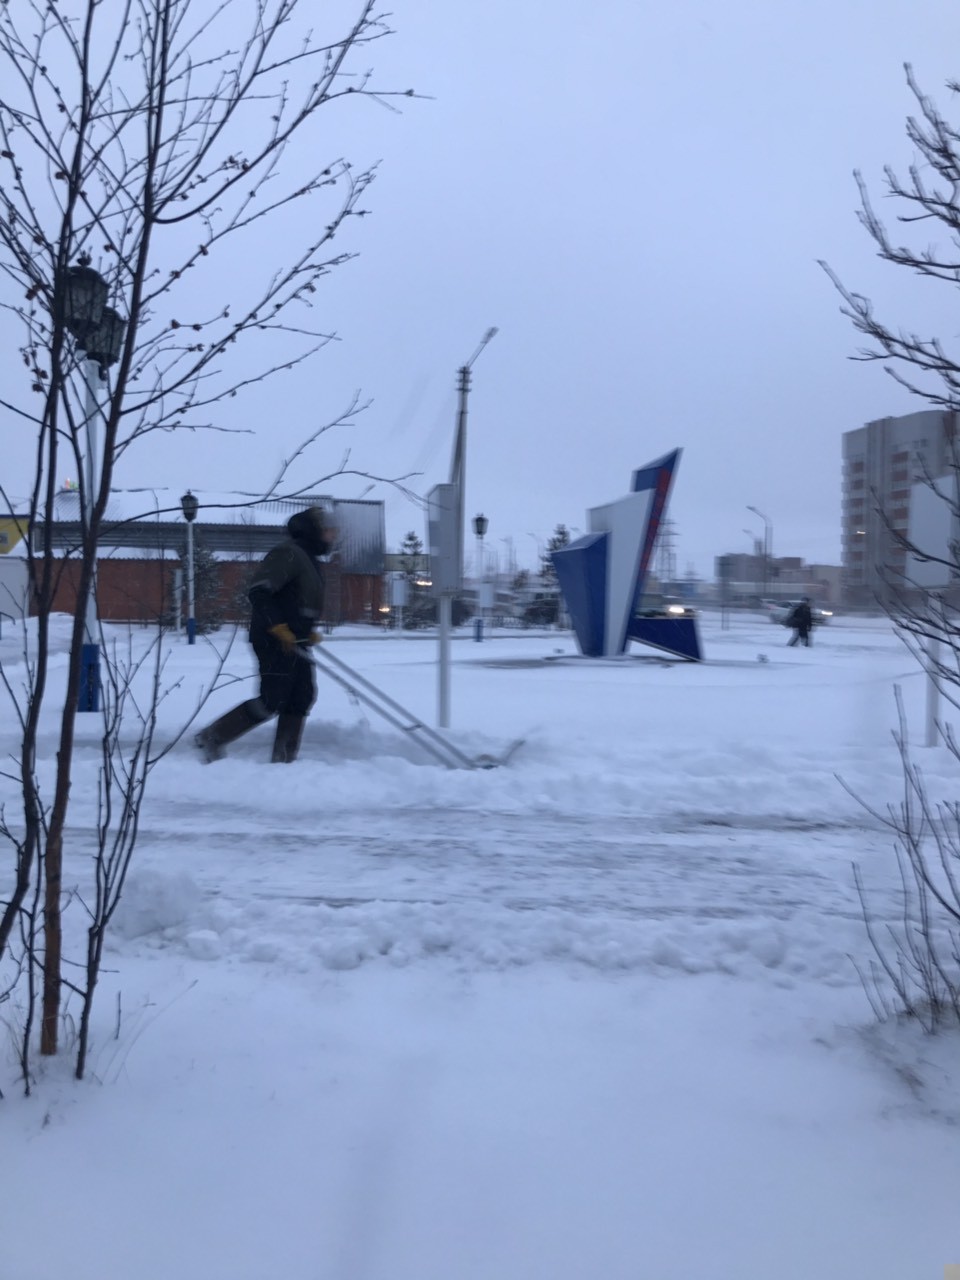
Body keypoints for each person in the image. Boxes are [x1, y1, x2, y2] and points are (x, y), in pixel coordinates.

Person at [195, 506, 337, 763]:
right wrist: (278, 627)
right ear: (312, 530)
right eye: (327, 530)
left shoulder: (308, 559)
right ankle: (211, 737)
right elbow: (259, 591)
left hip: (296, 640)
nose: (332, 536)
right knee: (273, 699)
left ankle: (284, 759)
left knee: (301, 696)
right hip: (274, 639)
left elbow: (295, 600)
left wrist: (307, 630)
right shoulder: (289, 554)